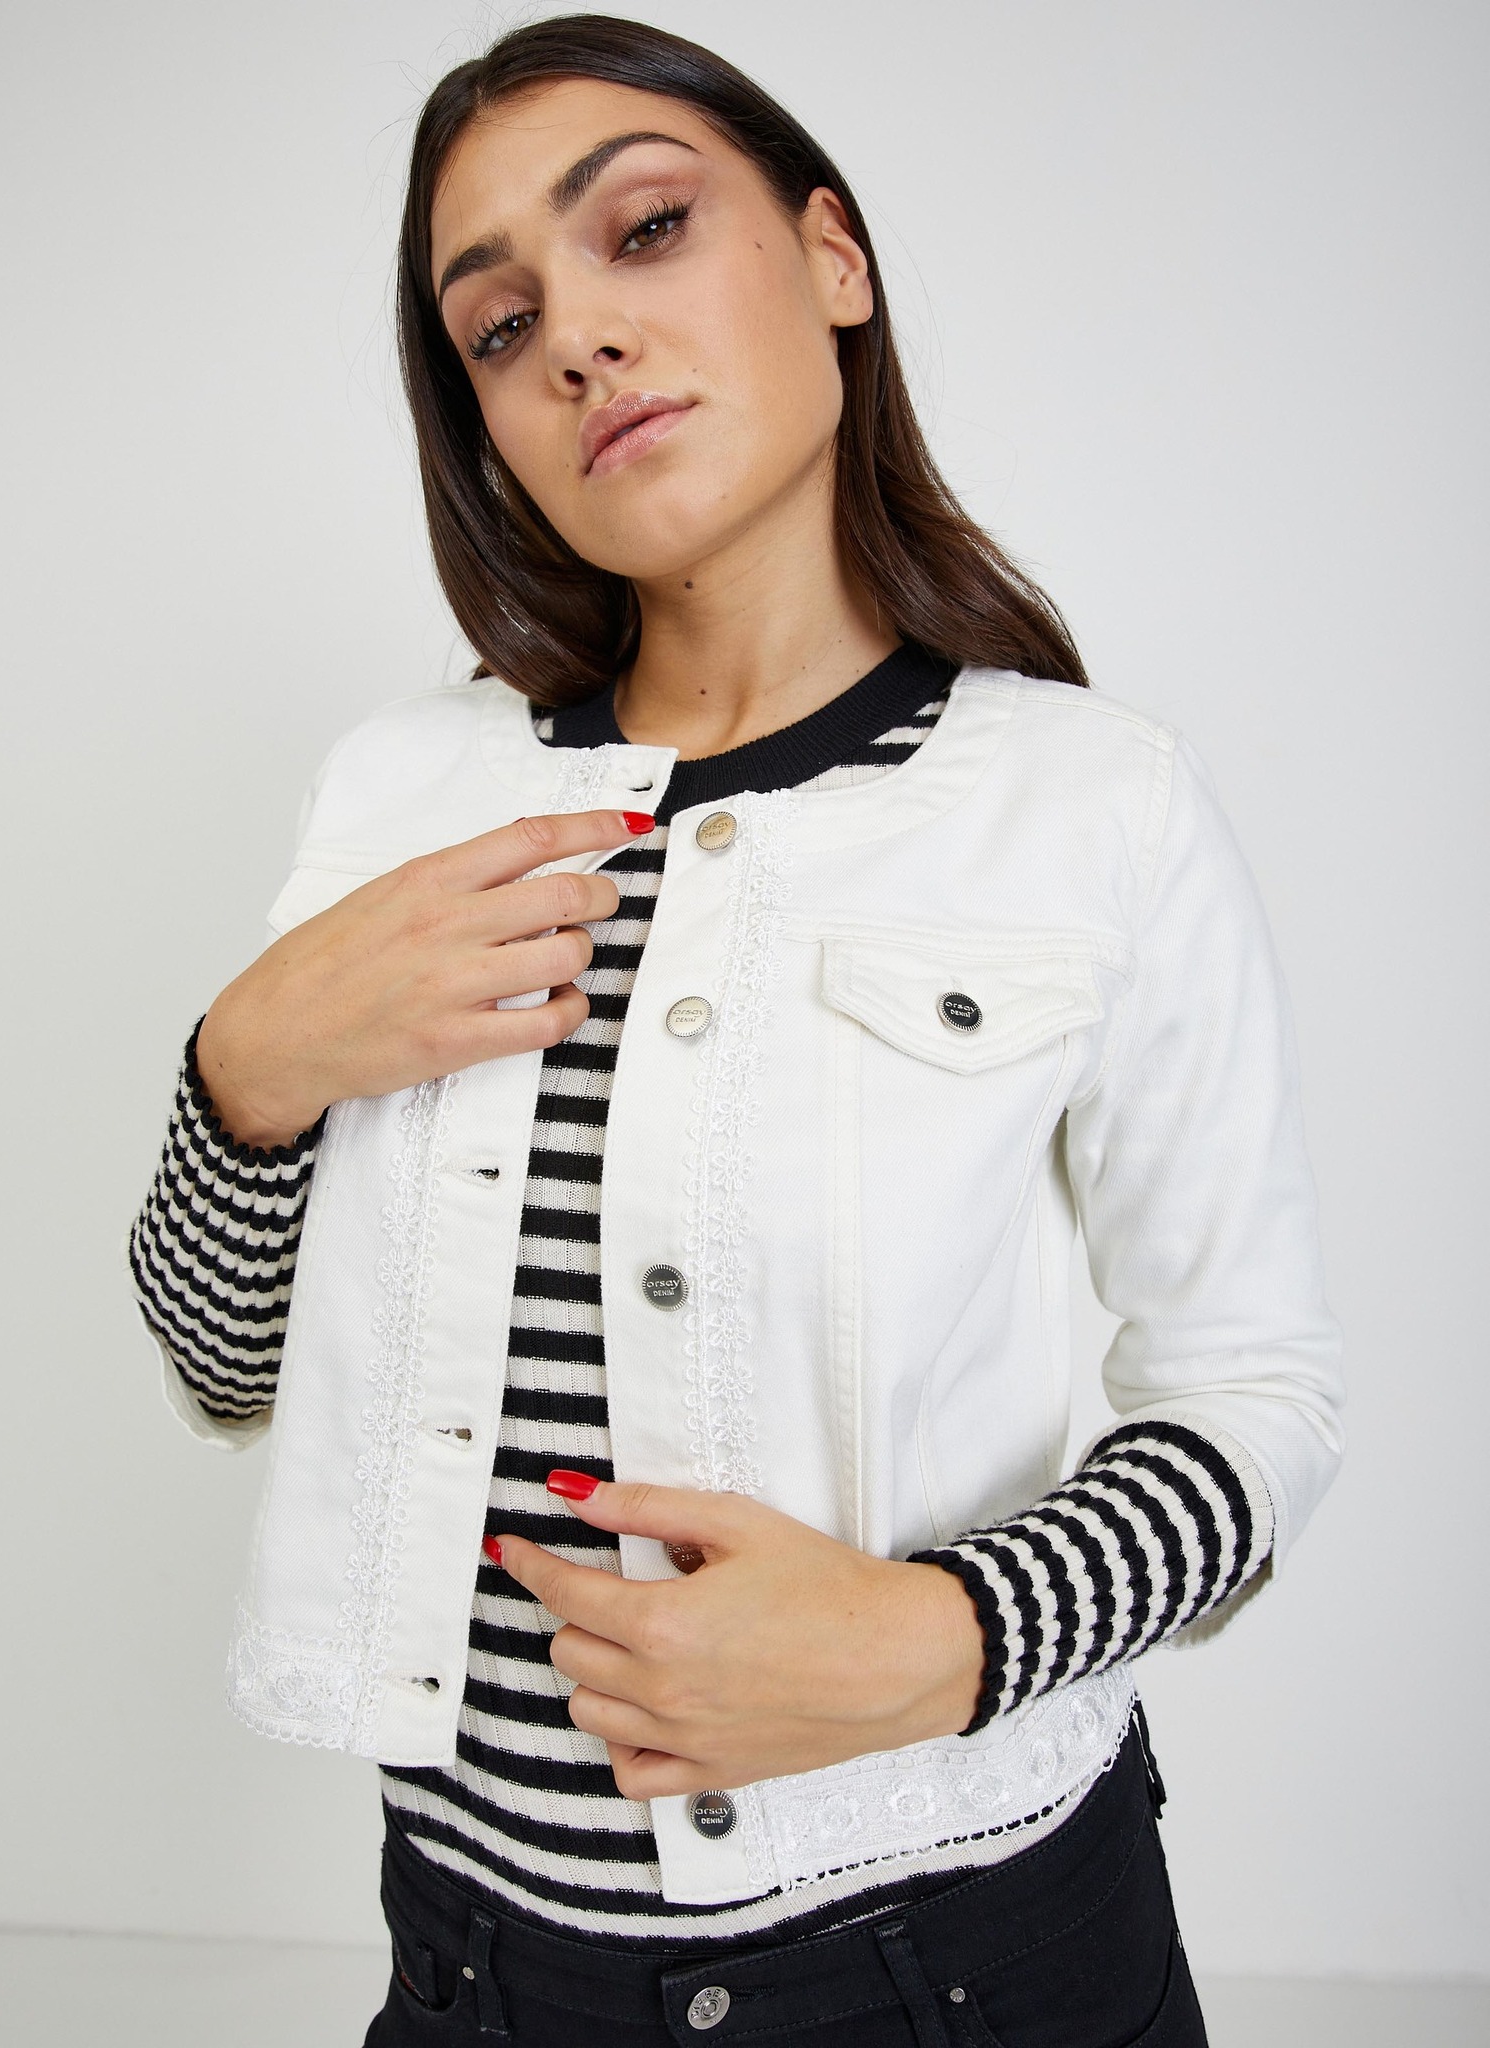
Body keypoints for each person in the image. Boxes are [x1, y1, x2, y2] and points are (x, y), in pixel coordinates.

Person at [127, 16, 1343, 2045]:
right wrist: (244, 1065)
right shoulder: (396, 789)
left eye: (645, 230)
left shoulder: (1094, 804)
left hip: (962, 1962)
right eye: (500, 326)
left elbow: (1258, 1397)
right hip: (476, 1968)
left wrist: (944, 1638)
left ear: (832, 257)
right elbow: (224, 1363)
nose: (581, 342)